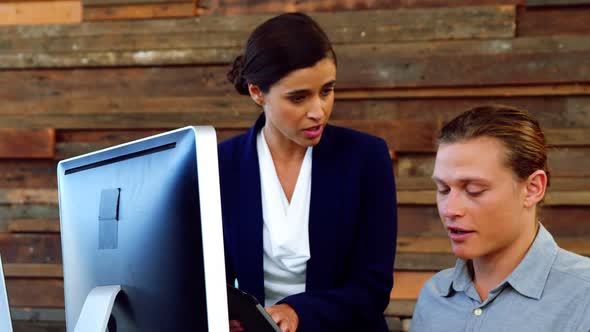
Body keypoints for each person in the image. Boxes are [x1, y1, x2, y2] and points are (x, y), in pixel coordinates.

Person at [218, 12, 397, 332]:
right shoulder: (220, 165)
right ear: (257, 92)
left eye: (327, 91)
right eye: (298, 97)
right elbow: (208, 278)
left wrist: (298, 312)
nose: (319, 111)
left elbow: (373, 287)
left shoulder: (366, 157)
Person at [410, 105, 590, 331]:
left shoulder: (584, 297)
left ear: (533, 188)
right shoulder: (434, 296)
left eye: (474, 189)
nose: (450, 209)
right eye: (443, 189)